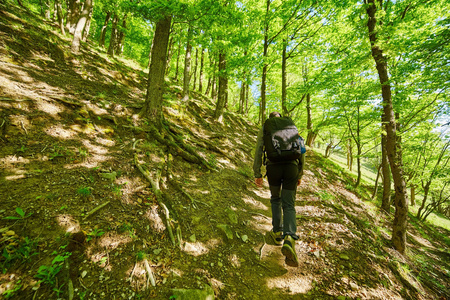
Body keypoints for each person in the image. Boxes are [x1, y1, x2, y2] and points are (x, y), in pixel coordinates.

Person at [253, 111, 305, 267]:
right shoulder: (290, 126)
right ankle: (289, 237)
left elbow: (259, 149)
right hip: (291, 167)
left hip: (273, 167)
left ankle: (277, 233)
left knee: (276, 199)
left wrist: (257, 172)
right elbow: (302, 149)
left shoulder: (266, 128)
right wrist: (300, 173)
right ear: (281, 117)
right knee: (289, 204)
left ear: (270, 119)